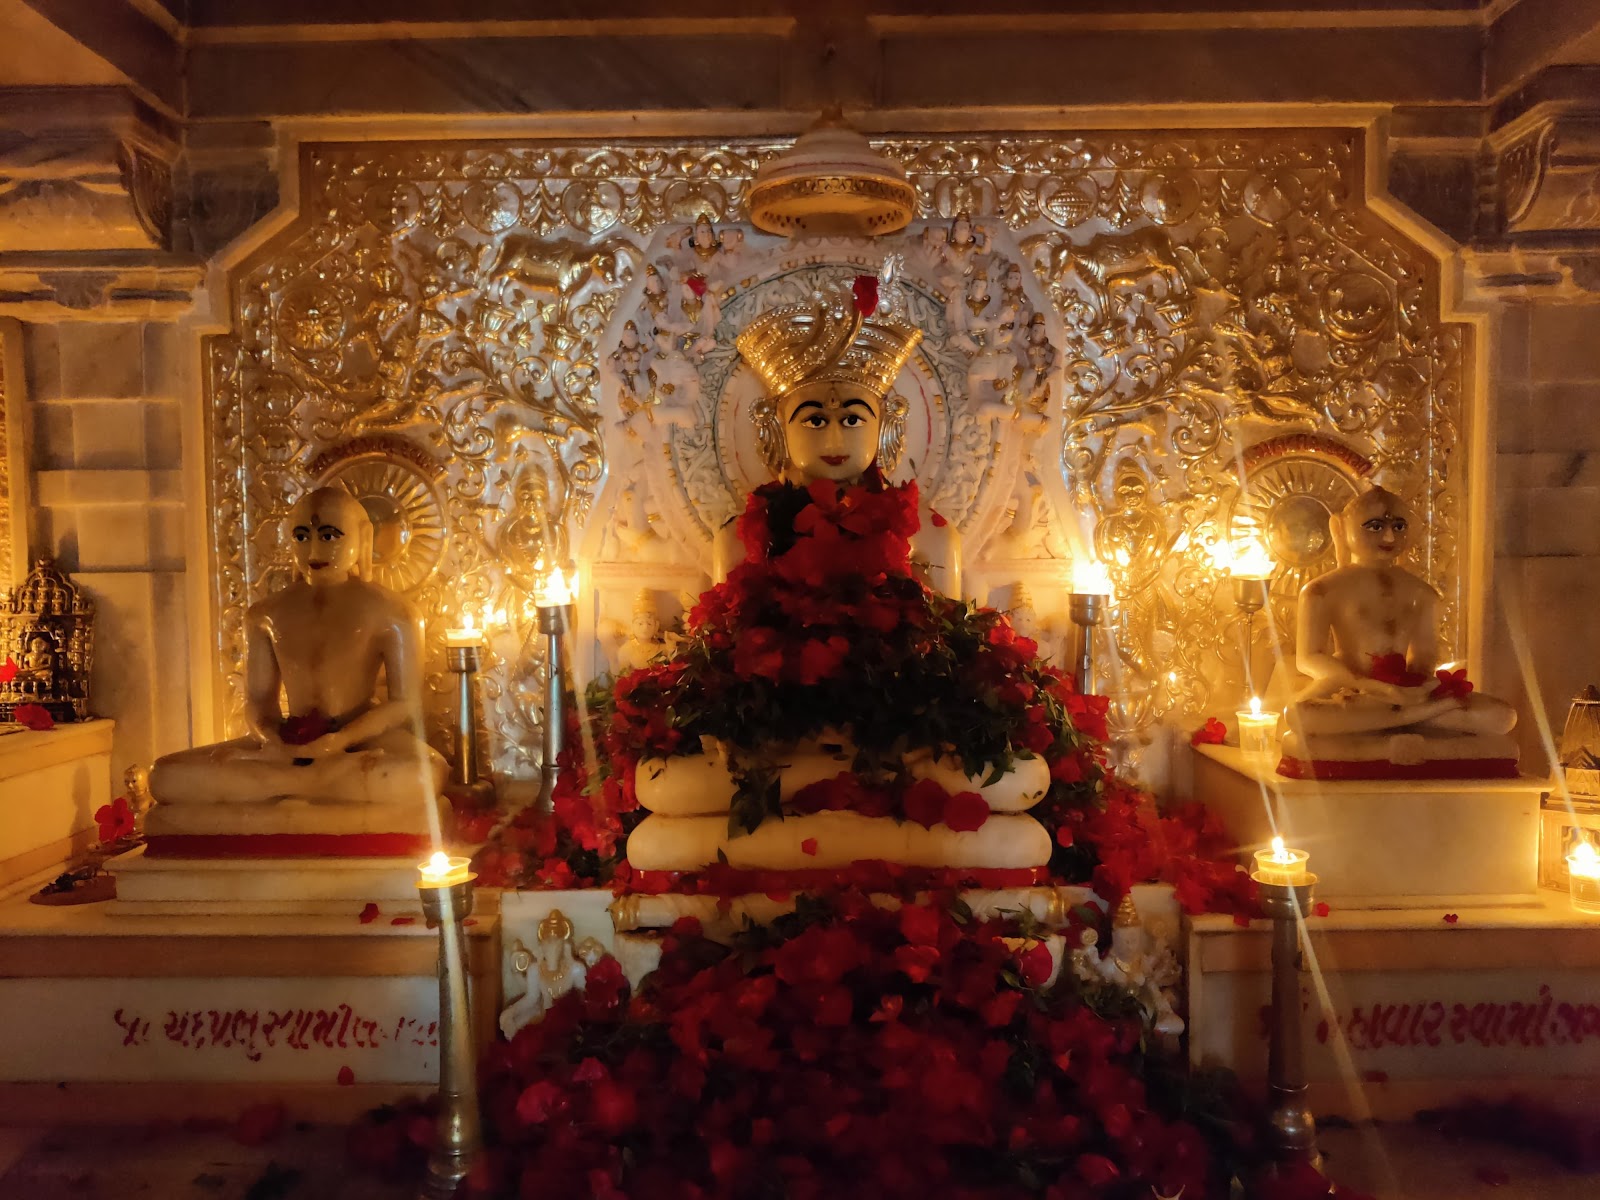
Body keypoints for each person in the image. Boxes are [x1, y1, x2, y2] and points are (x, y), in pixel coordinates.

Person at [149, 486, 447, 812]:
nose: (314, 548)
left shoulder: (393, 612)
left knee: (428, 773)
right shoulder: (265, 614)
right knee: (164, 775)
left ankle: (283, 785)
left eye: (330, 536)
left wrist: (342, 739)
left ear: (363, 538)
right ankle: (316, 782)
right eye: (302, 537)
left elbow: (405, 703)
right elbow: (260, 700)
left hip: (364, 740)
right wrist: (273, 738)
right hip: (289, 746)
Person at [711, 271, 961, 596]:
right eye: (814, 420)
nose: (834, 440)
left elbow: (950, 635)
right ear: (778, 424)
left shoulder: (928, 536)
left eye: (852, 420)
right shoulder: (741, 541)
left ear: (884, 421)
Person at [1280, 485, 1516, 775]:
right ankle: (1417, 717)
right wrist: (1370, 687)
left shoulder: (1422, 593)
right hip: (1355, 691)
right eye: (1375, 526)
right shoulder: (1321, 590)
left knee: (1503, 717)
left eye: (1399, 526)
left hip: (1406, 694)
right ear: (1340, 529)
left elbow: (1425, 655)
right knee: (1298, 716)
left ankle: (1405, 717)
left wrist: (1416, 688)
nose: (1389, 537)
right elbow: (1310, 658)